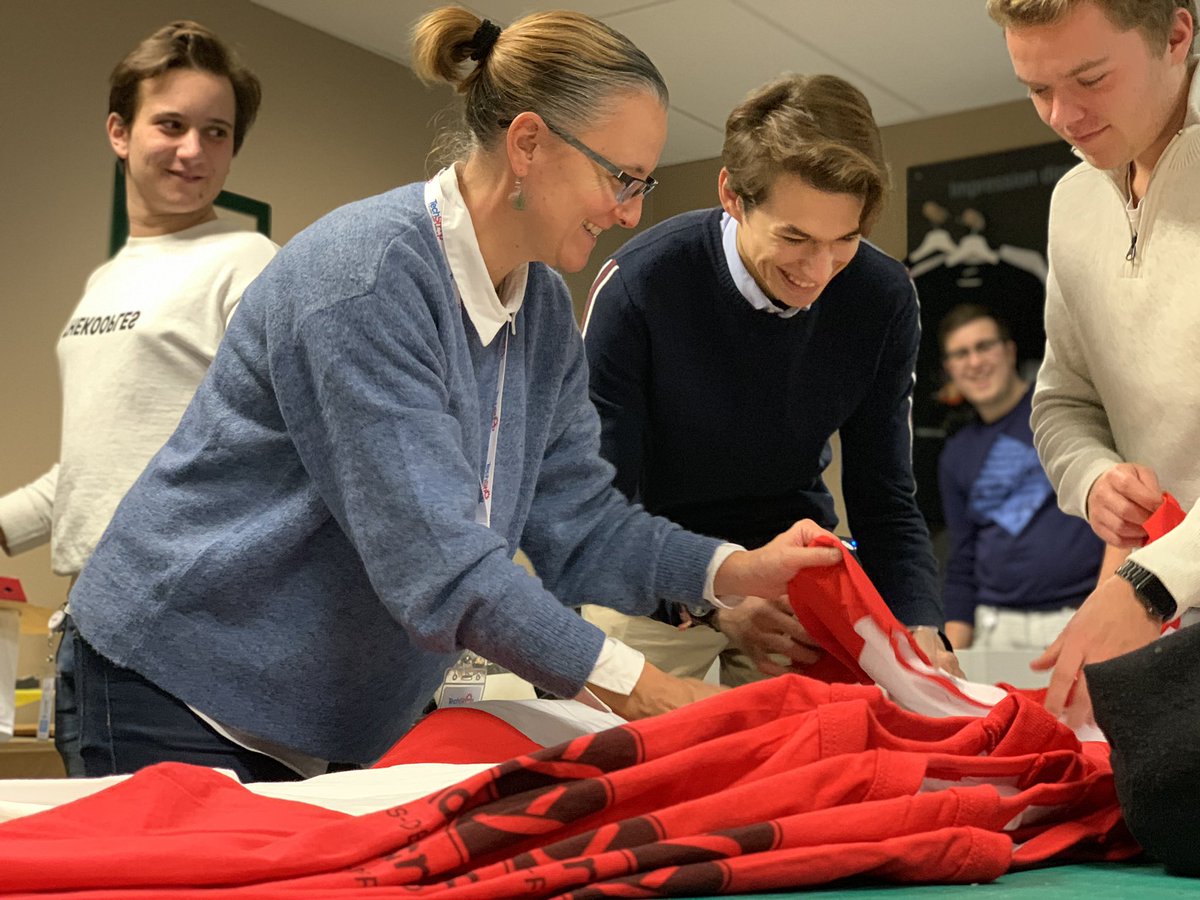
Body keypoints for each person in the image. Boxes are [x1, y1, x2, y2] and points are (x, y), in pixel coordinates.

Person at [64, 8, 849, 782]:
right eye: (621, 178)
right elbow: (437, 565)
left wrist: (728, 569)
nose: (631, 211)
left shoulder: (538, 308)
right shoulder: (367, 278)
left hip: (323, 720)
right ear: (530, 144)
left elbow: (579, 524)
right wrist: (647, 691)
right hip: (170, 684)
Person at [581, 73, 958, 686]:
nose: (817, 272)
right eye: (795, 237)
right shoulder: (641, 287)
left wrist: (919, 626)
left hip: (789, 573)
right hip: (647, 570)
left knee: (834, 757)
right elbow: (597, 506)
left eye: (845, 241)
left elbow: (884, 495)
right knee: (628, 762)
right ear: (732, 194)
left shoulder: (883, 298)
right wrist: (715, 599)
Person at [0, 20, 273, 774]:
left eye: (215, 132)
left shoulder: (245, 262)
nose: (193, 149)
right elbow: (105, 458)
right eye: (172, 124)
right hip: (92, 625)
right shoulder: (106, 281)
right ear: (120, 132)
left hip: (180, 627)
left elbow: (281, 445)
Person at [987, 0, 1200, 724]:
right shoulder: (1072, 202)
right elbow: (1062, 405)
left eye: (1090, 78)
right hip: (1173, 627)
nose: (1061, 115)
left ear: (1177, 35)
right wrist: (1094, 479)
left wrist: (1153, 581)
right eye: (1037, 89)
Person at [935, 304, 1103, 650]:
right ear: (951, 368)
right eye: (961, 354)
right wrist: (950, 660)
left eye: (984, 346)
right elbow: (962, 560)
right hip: (996, 626)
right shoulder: (956, 455)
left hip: (1081, 615)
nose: (975, 362)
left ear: (1009, 351)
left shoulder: (1060, 410)